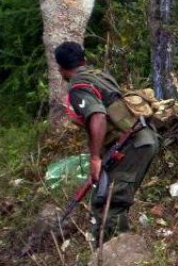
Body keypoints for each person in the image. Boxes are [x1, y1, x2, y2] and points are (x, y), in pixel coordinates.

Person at [55, 41, 160, 244]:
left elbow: (98, 116)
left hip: (133, 144)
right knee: (110, 198)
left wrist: (95, 158)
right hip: (143, 139)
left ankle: (113, 260)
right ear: (83, 60)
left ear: (60, 68)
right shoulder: (99, 75)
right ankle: (117, 252)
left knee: (109, 203)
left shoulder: (78, 87)